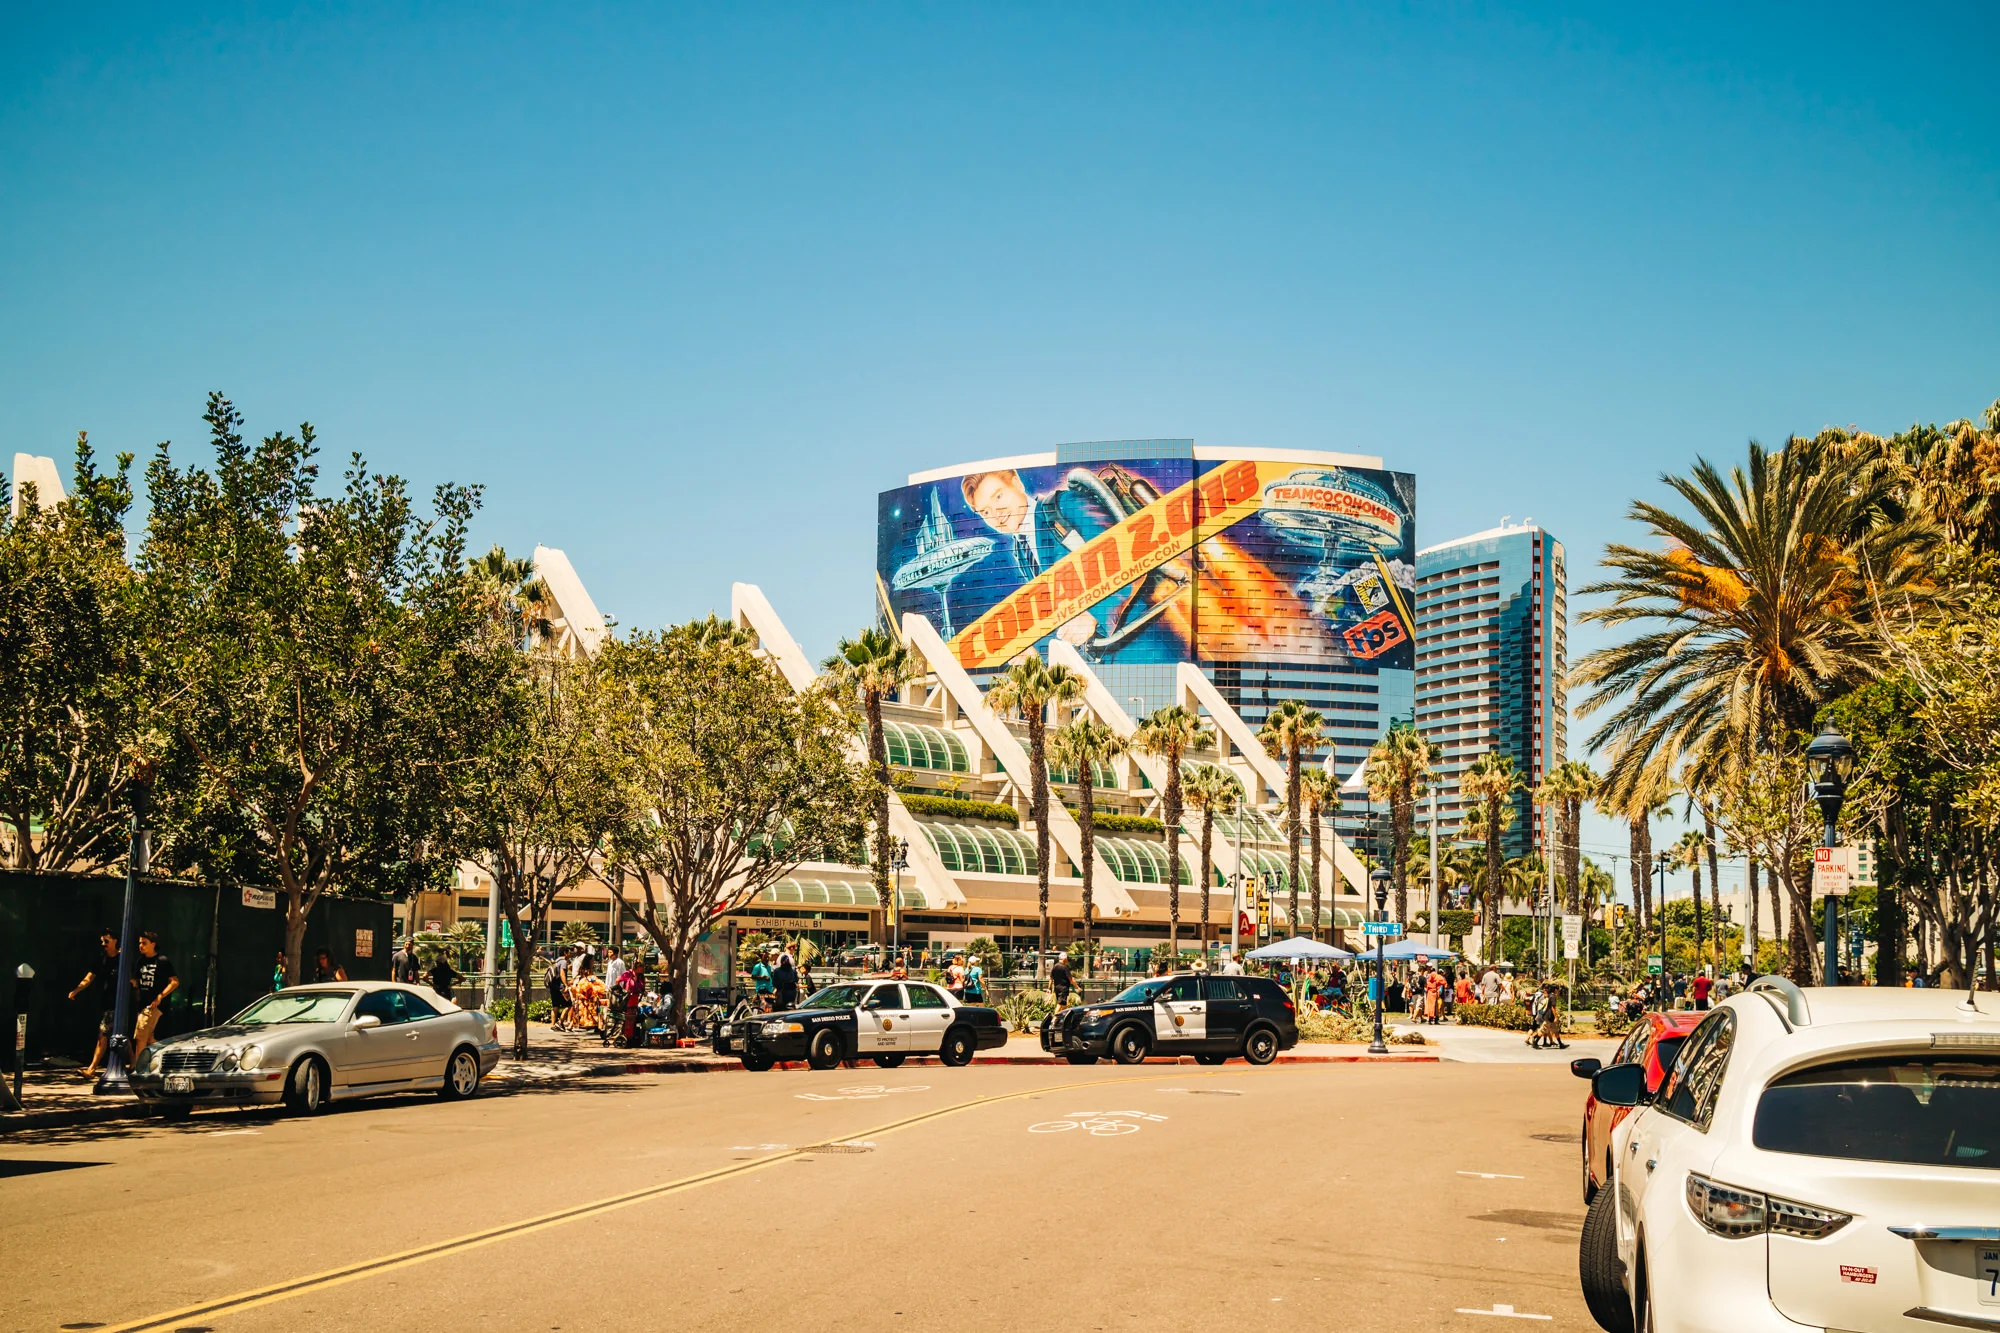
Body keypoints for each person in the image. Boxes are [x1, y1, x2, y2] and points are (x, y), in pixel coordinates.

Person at [67, 931, 121, 1078]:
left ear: (115, 941)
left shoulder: (122, 958)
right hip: (107, 1002)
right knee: (118, 1035)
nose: (103, 944)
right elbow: (89, 977)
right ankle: (134, 1064)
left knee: (104, 1034)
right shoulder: (102, 959)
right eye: (102, 941)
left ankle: (92, 1068)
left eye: (106, 941)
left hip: (120, 1003)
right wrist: (76, 990)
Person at [129, 929, 178, 1063]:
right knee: (149, 1039)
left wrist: (160, 996)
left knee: (140, 1037)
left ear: (153, 944)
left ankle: (138, 1067)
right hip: (142, 1003)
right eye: (140, 943)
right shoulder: (140, 961)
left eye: (144, 943)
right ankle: (169, 1057)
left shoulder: (162, 961)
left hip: (153, 1005)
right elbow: (136, 981)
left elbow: (174, 982)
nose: (141, 946)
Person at [545, 949, 572, 1032]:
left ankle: (553, 1025)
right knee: (569, 1004)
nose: (570, 953)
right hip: (560, 987)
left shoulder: (556, 961)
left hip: (553, 986)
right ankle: (560, 1022)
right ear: (565, 953)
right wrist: (566, 985)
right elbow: (562, 974)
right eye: (569, 952)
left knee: (555, 1006)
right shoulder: (563, 962)